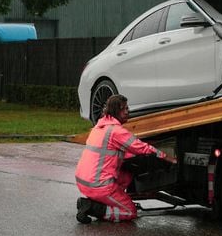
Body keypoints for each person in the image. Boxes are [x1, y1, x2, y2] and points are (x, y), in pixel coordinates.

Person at [74, 93, 176, 223]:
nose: (129, 111)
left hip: (84, 182)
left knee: (127, 175)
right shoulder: (116, 131)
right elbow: (141, 147)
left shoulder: (99, 127)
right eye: (126, 109)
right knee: (129, 211)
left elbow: (118, 153)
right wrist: (168, 158)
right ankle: (94, 207)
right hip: (99, 186)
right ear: (117, 110)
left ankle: (104, 201)